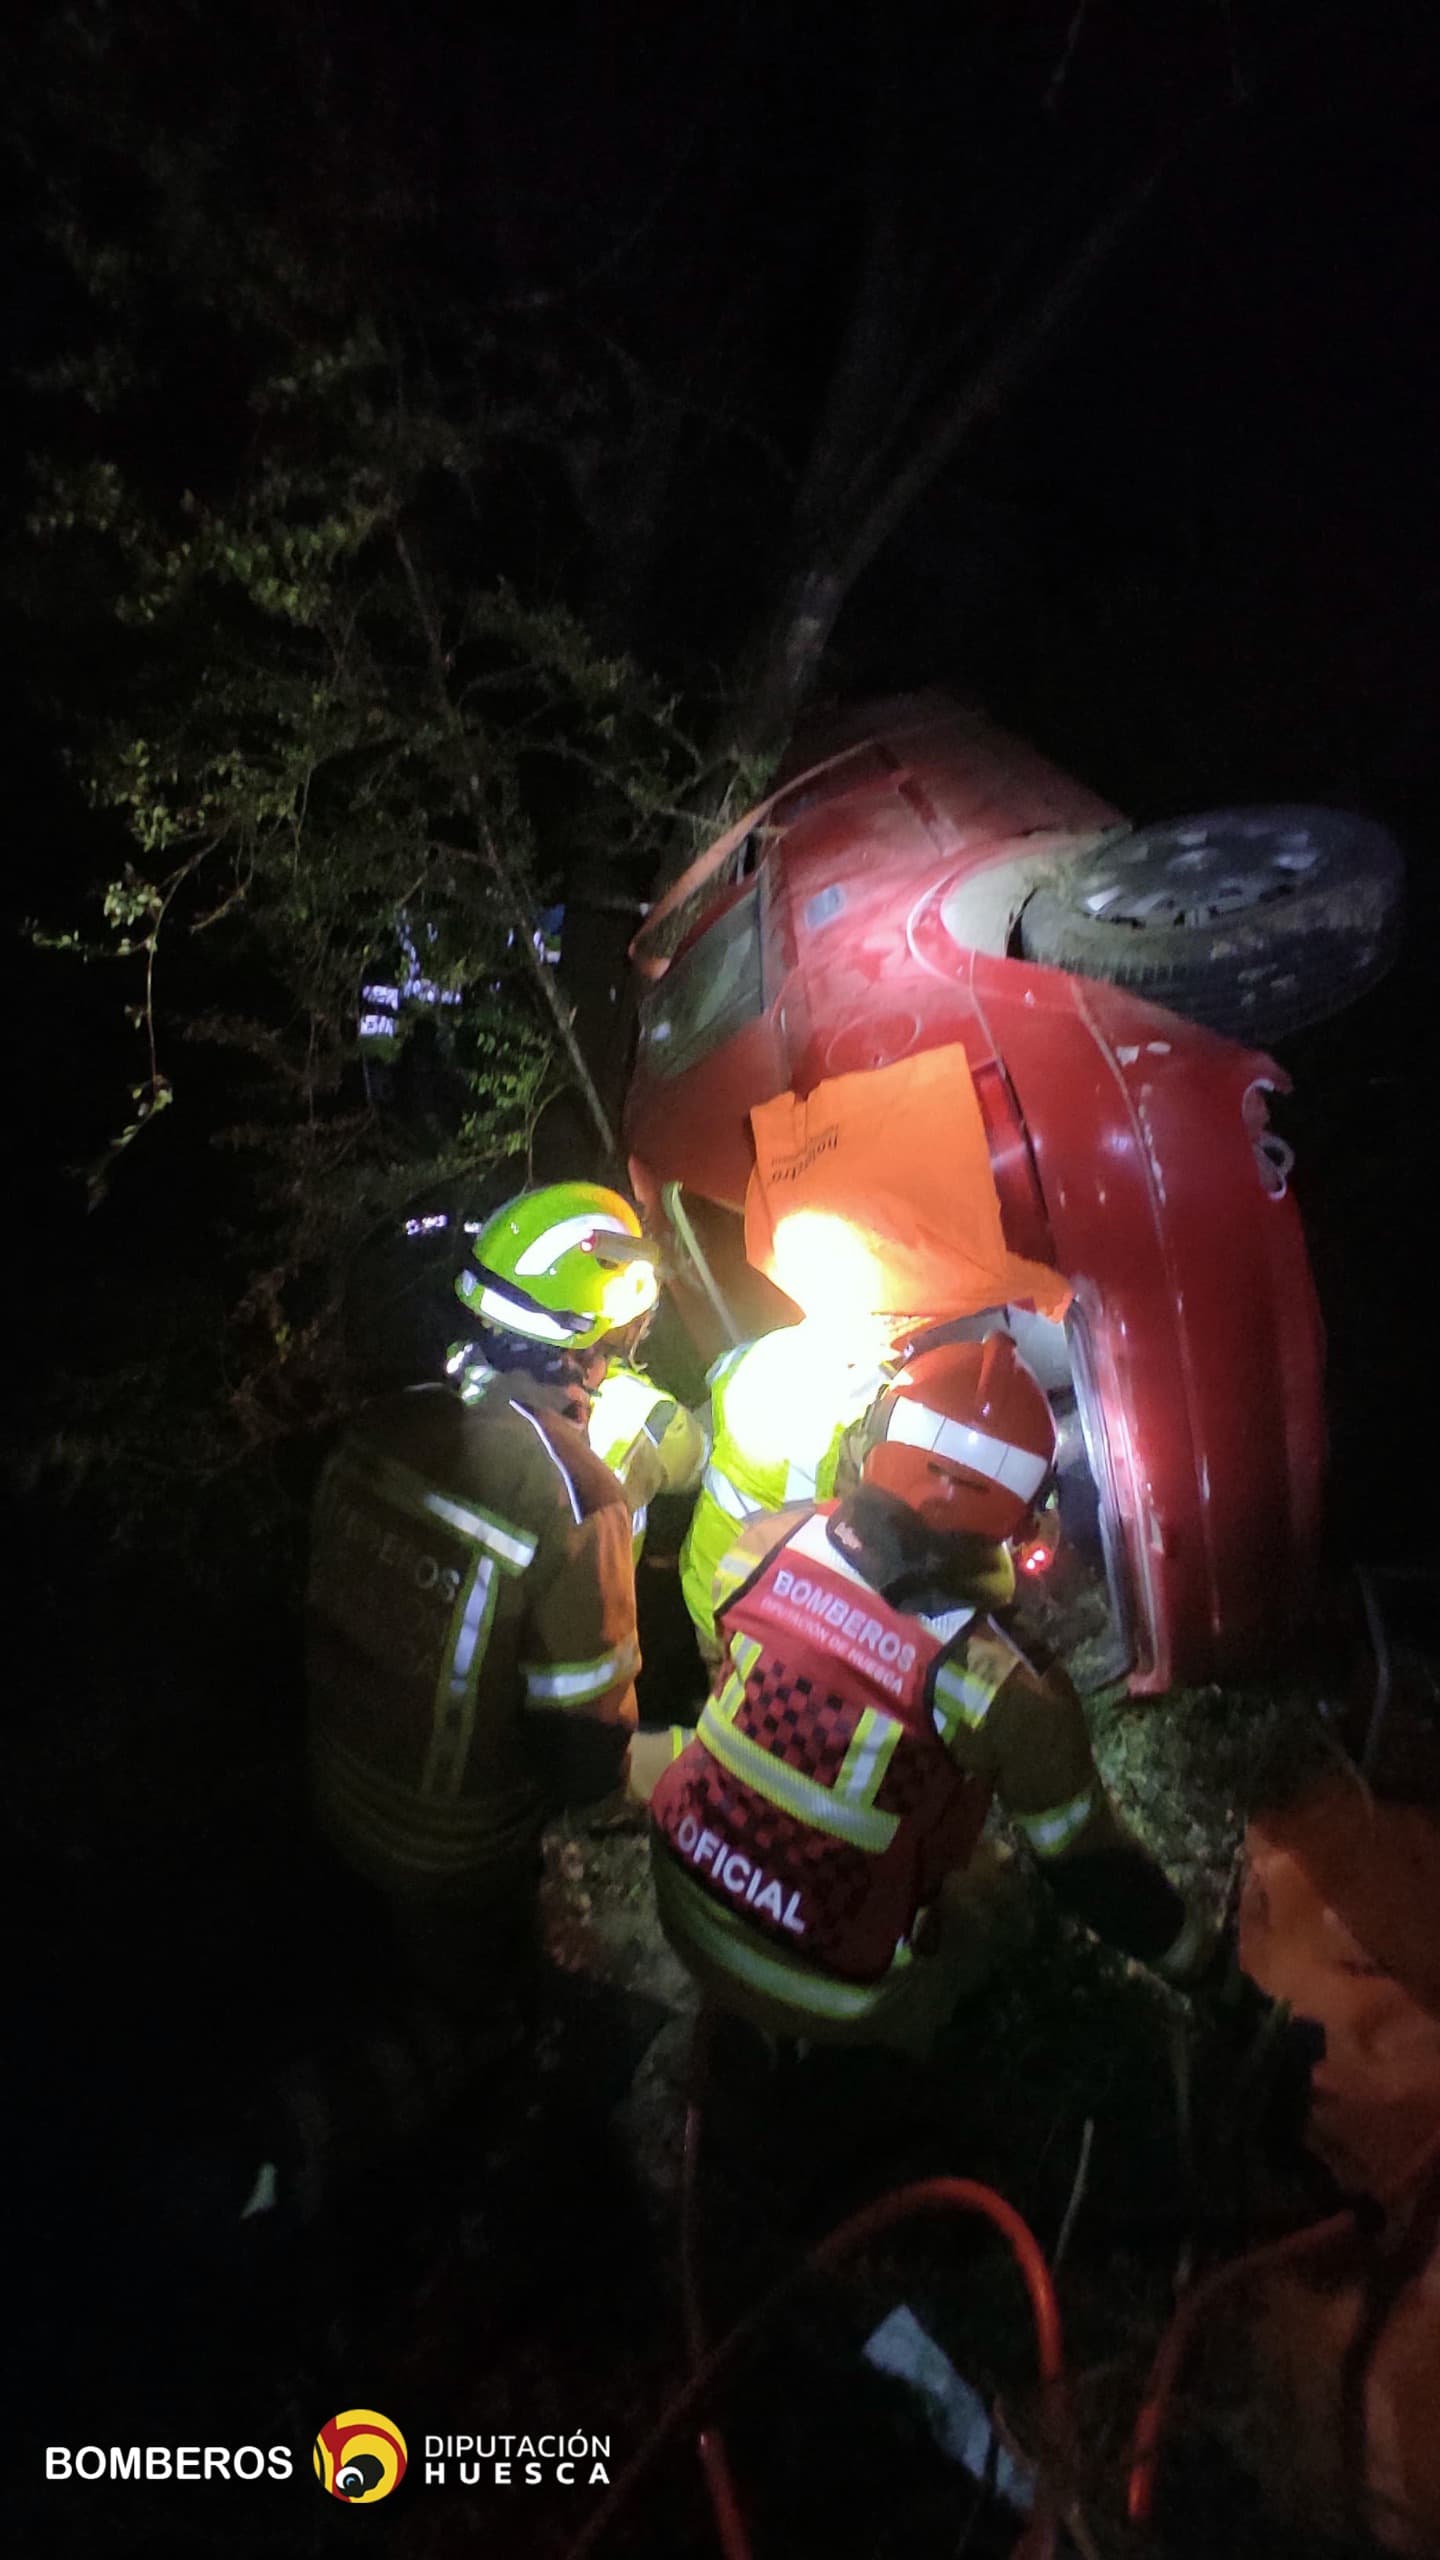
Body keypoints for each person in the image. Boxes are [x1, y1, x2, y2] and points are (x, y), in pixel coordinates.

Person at [650, 1332, 1211, 2054]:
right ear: (1021, 1519)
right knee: (999, 1891)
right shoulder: (1006, 1691)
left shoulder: (763, 1543)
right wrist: (1221, 1982)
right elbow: (1098, 1873)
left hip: (680, 1899)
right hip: (835, 1993)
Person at [307, 1180, 676, 2023]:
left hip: (339, 1790)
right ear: (588, 1341)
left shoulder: (385, 1422)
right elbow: (586, 1759)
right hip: (453, 1850)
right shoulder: (576, 1495)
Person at [678, 1317, 897, 1665]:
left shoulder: (767, 1354)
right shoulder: (824, 1460)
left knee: (718, 1683)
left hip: (707, 1582)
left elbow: (719, 1371)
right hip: (769, 1620)